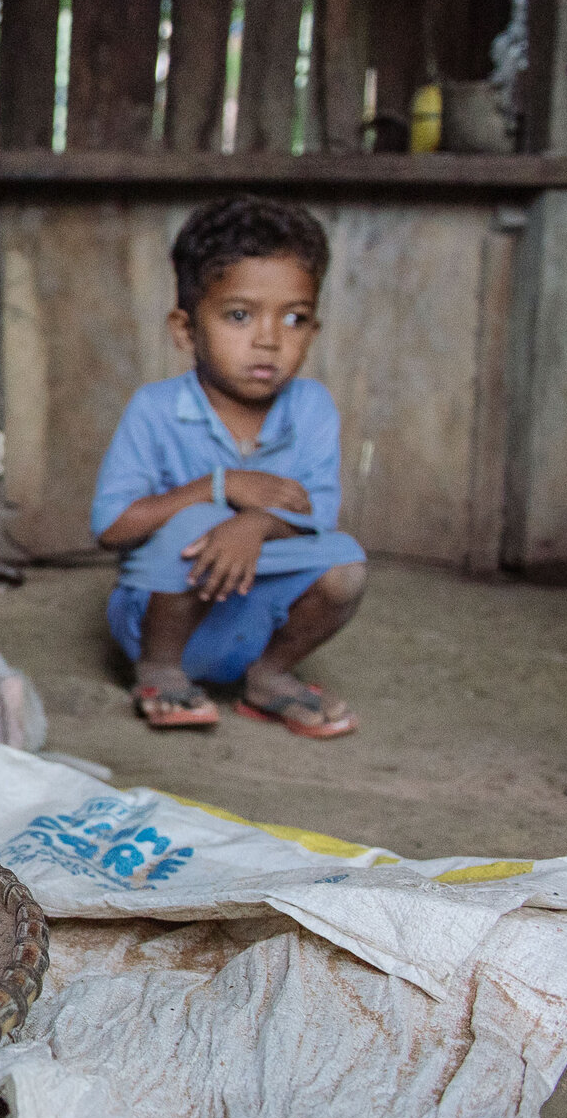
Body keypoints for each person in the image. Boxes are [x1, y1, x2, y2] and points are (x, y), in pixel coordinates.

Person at [90, 196, 368, 737]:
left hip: (251, 627)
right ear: (186, 330)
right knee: (198, 522)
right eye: (239, 315)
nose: (268, 339)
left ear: (313, 331)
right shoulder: (155, 407)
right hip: (159, 625)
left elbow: (321, 512)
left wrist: (256, 522)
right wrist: (218, 486)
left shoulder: (312, 406)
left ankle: (268, 676)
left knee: (346, 562)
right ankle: (159, 673)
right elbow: (112, 527)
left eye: (294, 318)